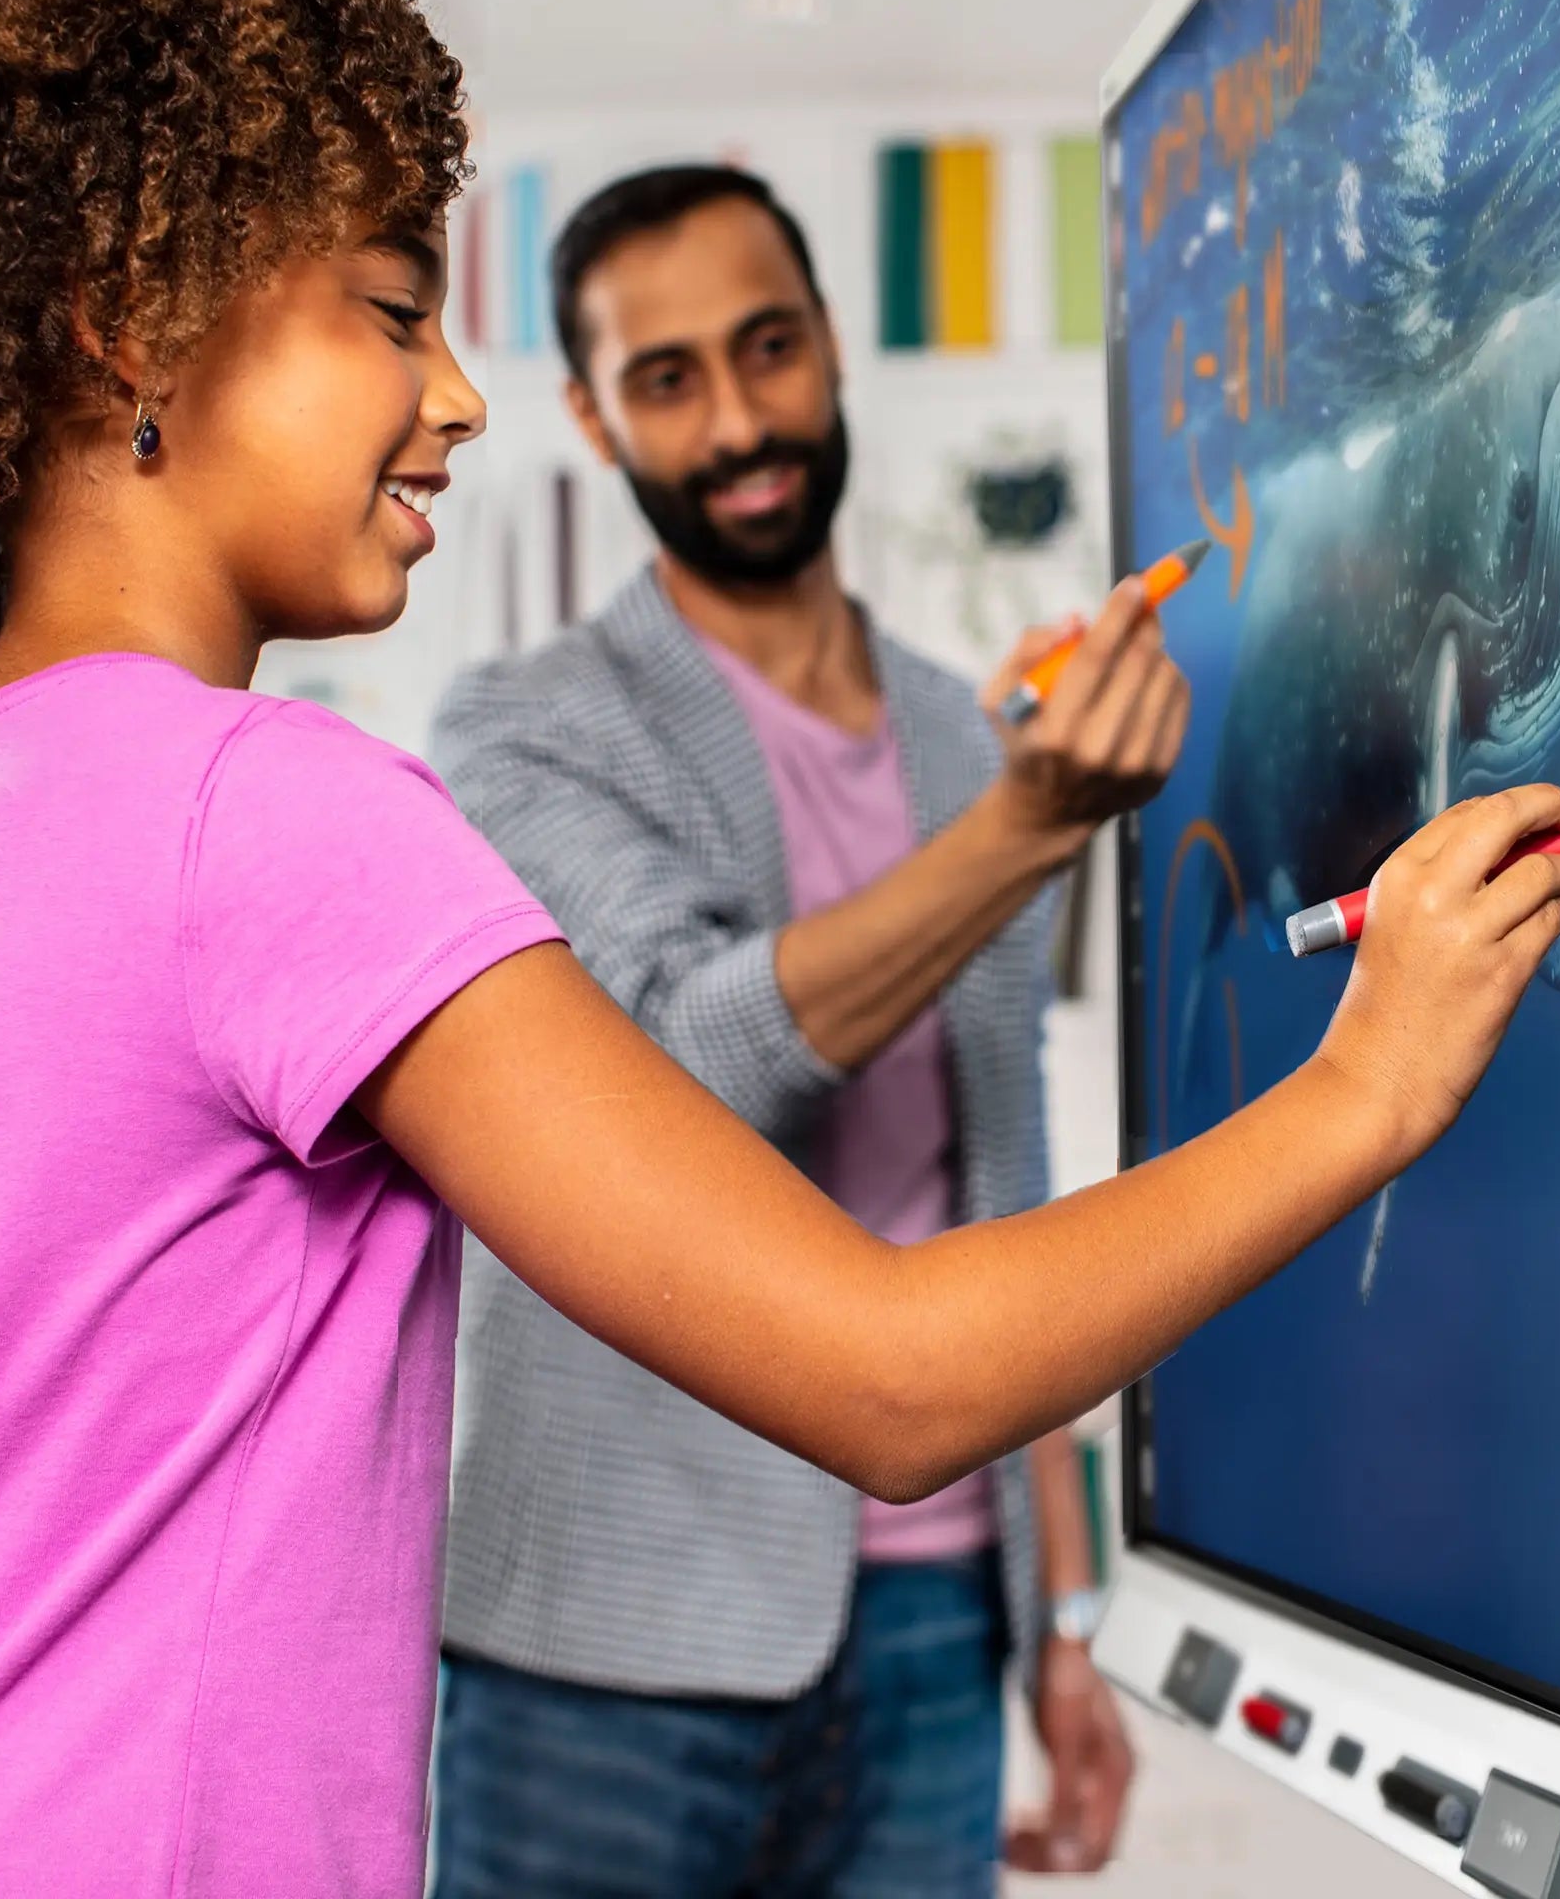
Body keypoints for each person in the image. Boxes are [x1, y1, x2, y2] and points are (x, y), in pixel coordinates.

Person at [0, 0, 1560, 1899]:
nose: (456, 395)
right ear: (133, 315)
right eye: (392, 311)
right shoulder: (264, 808)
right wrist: (1372, 1085)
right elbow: (887, 1371)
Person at [425, 162, 1157, 1894]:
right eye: (668, 378)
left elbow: (1007, 1193)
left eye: (769, 349)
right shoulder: (522, 733)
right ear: (593, 418)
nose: (740, 418)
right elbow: (691, 1061)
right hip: (607, 1637)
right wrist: (1026, 833)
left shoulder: (967, 740)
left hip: (932, 1628)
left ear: (831, 347)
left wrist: (1066, 1618)